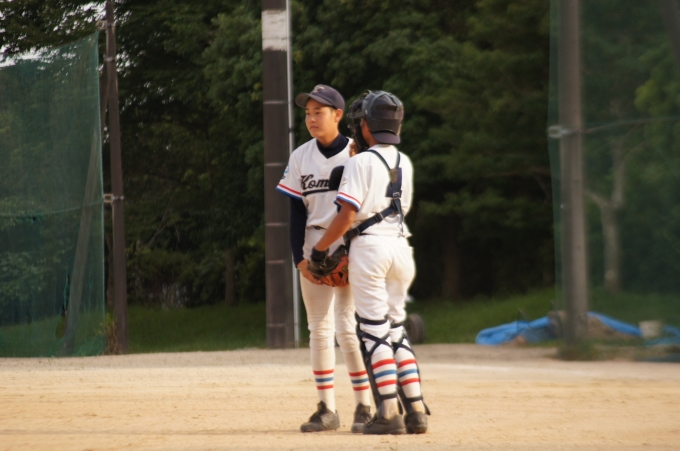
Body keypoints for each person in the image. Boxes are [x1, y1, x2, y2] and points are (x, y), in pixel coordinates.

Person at [310, 90, 430, 435]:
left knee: (374, 331)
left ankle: (389, 413)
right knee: (396, 328)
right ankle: (416, 410)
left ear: (367, 126)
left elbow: (347, 215)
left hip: (371, 249)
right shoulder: (404, 161)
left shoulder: (359, 162)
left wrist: (320, 250)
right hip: (401, 248)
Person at [275, 84, 372, 433]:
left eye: (319, 112)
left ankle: (364, 405)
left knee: (346, 326)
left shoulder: (357, 152)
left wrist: (353, 250)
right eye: (307, 113)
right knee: (318, 327)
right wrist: (299, 258)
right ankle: (327, 408)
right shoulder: (301, 155)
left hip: (349, 244)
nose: (312, 118)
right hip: (313, 241)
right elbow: (295, 211)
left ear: (337, 115)